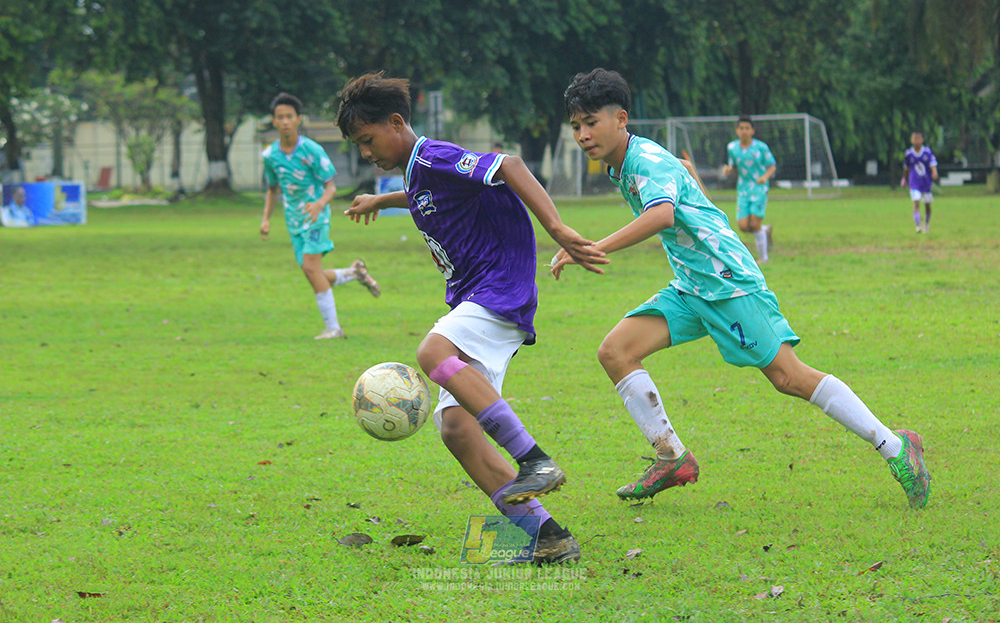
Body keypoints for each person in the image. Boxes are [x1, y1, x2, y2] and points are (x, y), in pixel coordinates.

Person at [553, 68, 931, 510]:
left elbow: (662, 215)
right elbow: (682, 174)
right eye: (576, 126)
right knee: (615, 351)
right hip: (692, 286)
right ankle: (672, 457)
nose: (582, 135)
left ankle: (896, 446)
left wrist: (588, 247)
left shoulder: (644, 160)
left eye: (591, 122)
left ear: (621, 119)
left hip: (728, 282)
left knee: (789, 376)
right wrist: (697, 193)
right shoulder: (627, 163)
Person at [336, 72, 607, 563]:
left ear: (395, 122)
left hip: (498, 284)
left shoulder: (431, 156)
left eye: (367, 140)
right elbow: (427, 197)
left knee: (432, 351)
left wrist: (557, 227)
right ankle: (549, 537)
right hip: (477, 294)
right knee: (457, 430)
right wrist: (381, 199)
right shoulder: (417, 173)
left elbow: (509, 165)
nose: (366, 152)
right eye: (359, 145)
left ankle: (535, 460)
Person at [260, 92, 381, 340]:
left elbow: (331, 187)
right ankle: (354, 272)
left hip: (317, 217)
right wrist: (266, 219)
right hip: (294, 221)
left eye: (289, 116)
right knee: (313, 273)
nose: (285, 121)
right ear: (274, 121)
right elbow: (272, 189)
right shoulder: (270, 156)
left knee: (310, 267)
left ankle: (334, 329)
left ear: (298, 119)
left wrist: (318, 204)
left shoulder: (311, 150)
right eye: (280, 117)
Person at [722, 116, 776, 263]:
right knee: (743, 226)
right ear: (737, 131)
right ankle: (765, 230)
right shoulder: (732, 148)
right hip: (743, 189)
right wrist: (728, 170)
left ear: (752, 131)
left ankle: (763, 258)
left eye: (747, 128)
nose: (744, 131)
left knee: (755, 224)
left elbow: (772, 166)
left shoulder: (761, 147)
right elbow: (733, 166)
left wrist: (765, 177)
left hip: (759, 188)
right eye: (741, 128)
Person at [901, 131, 939, 233]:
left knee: (927, 205)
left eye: (918, 138)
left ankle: (926, 224)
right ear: (911, 140)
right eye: (915, 138)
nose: (916, 141)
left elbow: (932, 164)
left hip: (926, 182)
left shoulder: (927, 152)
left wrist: (934, 172)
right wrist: (904, 178)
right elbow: (906, 168)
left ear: (922, 140)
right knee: (916, 202)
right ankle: (918, 225)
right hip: (914, 182)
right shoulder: (909, 154)